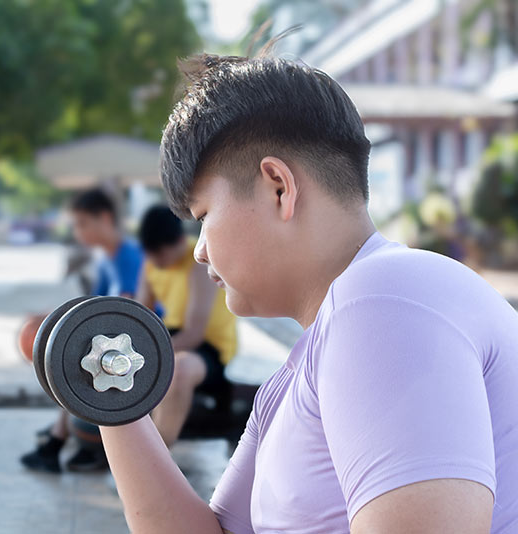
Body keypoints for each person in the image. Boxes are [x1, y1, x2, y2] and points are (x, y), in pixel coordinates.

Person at [98, 53, 518, 533]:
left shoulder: (385, 298)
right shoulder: (295, 377)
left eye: (203, 217)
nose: (199, 252)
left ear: (279, 187)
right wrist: (112, 402)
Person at [20, 188, 143, 474]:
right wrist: (49, 318)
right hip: (109, 339)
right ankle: (59, 440)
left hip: (132, 345)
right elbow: (90, 307)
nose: (77, 232)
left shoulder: (130, 257)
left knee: (70, 361)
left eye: (82, 223)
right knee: (62, 357)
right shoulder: (105, 260)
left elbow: (126, 311)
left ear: (104, 218)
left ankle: (57, 442)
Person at [136, 205, 237, 447]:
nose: (156, 261)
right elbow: (140, 318)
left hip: (208, 346)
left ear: (180, 241)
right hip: (171, 334)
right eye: (151, 254)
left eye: (161, 254)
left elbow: (194, 333)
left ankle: (155, 462)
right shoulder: (150, 262)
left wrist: (149, 355)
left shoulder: (199, 260)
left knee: (178, 370)